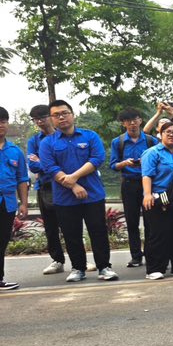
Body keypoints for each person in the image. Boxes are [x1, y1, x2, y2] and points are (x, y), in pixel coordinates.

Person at [38, 99, 119, 282]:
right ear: (52, 119)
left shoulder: (90, 136)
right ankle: (78, 268)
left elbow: (98, 158)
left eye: (65, 113)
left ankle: (104, 267)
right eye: (56, 115)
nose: (61, 117)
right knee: (71, 234)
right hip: (65, 198)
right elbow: (50, 168)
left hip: (93, 195)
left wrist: (73, 177)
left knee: (98, 231)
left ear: (73, 115)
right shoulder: (47, 143)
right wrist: (73, 185)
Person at [140, 118, 173, 279]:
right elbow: (147, 175)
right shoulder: (152, 152)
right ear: (160, 134)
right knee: (159, 234)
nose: (171, 135)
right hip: (158, 197)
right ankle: (155, 268)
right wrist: (147, 194)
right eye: (167, 132)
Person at [109, 107, 151, 268]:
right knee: (132, 221)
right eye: (128, 121)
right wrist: (125, 163)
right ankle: (136, 256)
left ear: (140, 121)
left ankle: (151, 253)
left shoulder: (150, 140)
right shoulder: (118, 142)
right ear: (123, 123)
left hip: (147, 184)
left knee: (150, 221)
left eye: (135, 120)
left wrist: (145, 162)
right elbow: (113, 165)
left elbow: (158, 160)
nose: (132, 123)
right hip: (128, 184)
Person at [28, 103, 63, 275]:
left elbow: (68, 162)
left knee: (71, 224)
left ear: (51, 116)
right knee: (50, 226)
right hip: (46, 187)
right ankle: (57, 260)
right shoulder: (34, 141)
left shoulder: (63, 136)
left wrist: (43, 162)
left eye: (43, 117)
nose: (40, 121)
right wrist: (51, 164)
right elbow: (33, 166)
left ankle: (80, 259)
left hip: (65, 185)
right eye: (36, 119)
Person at [0, 107, 26, 291]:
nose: (0, 125)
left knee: (2, 241)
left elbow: (22, 179)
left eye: (3, 121)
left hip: (7, 203)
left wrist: (24, 203)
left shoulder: (15, 151)